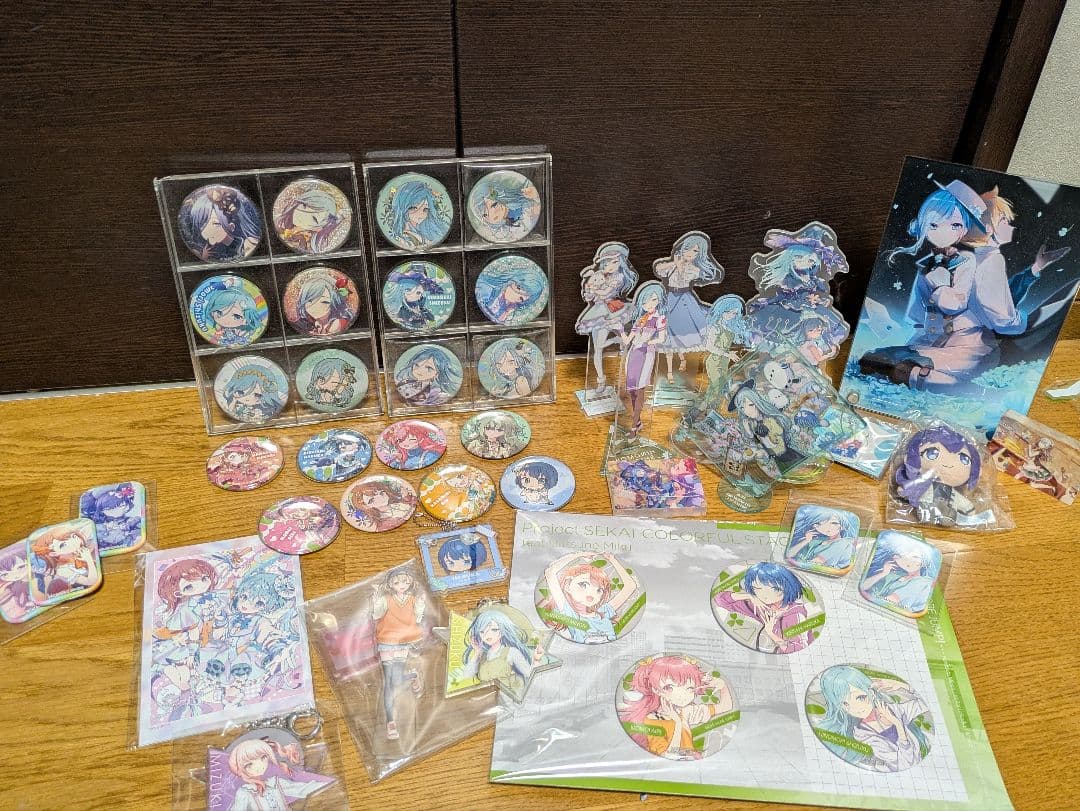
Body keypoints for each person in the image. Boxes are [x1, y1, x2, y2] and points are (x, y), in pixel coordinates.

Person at [815, 665, 931, 772]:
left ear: (872, 693)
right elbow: (905, 763)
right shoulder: (863, 735)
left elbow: (925, 705)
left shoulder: (893, 710)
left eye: (860, 698)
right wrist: (898, 725)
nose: (856, 708)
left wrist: (904, 686)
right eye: (845, 704)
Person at [617, 655, 732, 760]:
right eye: (669, 687)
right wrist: (677, 722)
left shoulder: (686, 711)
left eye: (690, 688)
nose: (682, 695)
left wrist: (722, 685)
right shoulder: (653, 719)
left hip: (693, 761)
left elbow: (726, 706)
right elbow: (669, 755)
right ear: (656, 690)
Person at [652, 232, 723, 380]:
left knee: (682, 331)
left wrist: (681, 267)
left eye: (695, 251)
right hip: (670, 298)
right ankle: (670, 372)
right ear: (682, 249)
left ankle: (683, 360)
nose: (690, 253)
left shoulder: (694, 269)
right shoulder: (671, 265)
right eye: (687, 249)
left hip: (684, 300)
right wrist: (674, 263)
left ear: (699, 254)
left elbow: (685, 278)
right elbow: (658, 269)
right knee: (668, 333)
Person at [575, 242, 638, 395]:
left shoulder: (619, 277)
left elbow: (604, 293)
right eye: (607, 263)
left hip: (612, 309)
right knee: (597, 349)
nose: (610, 266)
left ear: (621, 262)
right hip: (598, 310)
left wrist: (593, 287)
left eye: (615, 262)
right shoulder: (600, 275)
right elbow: (589, 296)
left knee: (602, 345)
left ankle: (618, 341)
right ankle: (601, 380)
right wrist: (588, 287)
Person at [372, 567, 426, 740]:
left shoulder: (413, 599)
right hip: (386, 641)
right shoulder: (385, 599)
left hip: (403, 641)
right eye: (396, 582)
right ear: (390, 584)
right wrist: (376, 599)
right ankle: (390, 722)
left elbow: (418, 619)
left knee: (396, 680)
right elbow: (376, 615)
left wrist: (421, 604)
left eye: (405, 582)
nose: (401, 585)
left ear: (410, 583)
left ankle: (412, 675)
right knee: (388, 682)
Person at [713, 562, 811, 653]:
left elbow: (798, 648)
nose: (765, 595)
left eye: (774, 589)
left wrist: (771, 633)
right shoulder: (761, 605)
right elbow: (719, 599)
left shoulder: (795, 615)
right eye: (758, 589)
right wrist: (749, 596)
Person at [541, 552, 636, 643]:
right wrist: (578, 555)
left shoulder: (604, 610)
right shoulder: (569, 614)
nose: (591, 594)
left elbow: (631, 586)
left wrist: (613, 560)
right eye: (583, 585)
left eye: (599, 590)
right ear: (567, 586)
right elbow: (550, 572)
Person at [453, 608, 544, 698]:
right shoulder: (483, 655)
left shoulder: (511, 652)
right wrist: (477, 653)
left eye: (494, 630)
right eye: (482, 631)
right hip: (486, 700)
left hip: (508, 699)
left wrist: (536, 660)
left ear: (503, 631)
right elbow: (467, 676)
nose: (487, 634)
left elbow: (529, 674)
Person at [226, 738, 330, 810]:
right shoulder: (244, 792)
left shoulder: (274, 783)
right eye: (249, 764)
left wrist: (327, 783)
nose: (259, 766)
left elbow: (302, 789)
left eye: (263, 758)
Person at [620, 282, 668, 434]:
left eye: (654, 299)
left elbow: (662, 338)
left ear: (659, 300)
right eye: (646, 301)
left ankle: (634, 426)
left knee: (640, 389)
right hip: (633, 353)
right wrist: (619, 329)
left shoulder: (660, 318)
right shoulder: (640, 319)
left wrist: (648, 342)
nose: (650, 304)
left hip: (646, 354)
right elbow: (627, 340)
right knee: (632, 390)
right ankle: (638, 421)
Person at [859, 532, 940, 616]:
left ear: (924, 562)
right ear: (895, 558)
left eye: (915, 557)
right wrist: (883, 573)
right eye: (903, 556)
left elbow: (891, 600)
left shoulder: (923, 582)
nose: (909, 561)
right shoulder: (895, 574)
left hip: (886, 614)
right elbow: (863, 587)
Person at [274, 185, 348, 254]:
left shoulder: (309, 245)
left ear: (318, 228)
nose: (303, 214)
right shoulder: (278, 223)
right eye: (304, 206)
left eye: (314, 218)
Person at [785, 505, 859, 573]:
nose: (827, 527)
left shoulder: (842, 543)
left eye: (834, 523)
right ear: (814, 526)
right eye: (819, 523)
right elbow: (789, 555)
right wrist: (806, 541)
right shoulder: (818, 540)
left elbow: (814, 563)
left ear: (842, 526)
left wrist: (794, 562)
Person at [394, 347, 462, 406]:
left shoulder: (437, 394)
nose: (419, 370)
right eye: (416, 365)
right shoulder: (404, 383)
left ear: (437, 374)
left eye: (429, 368)